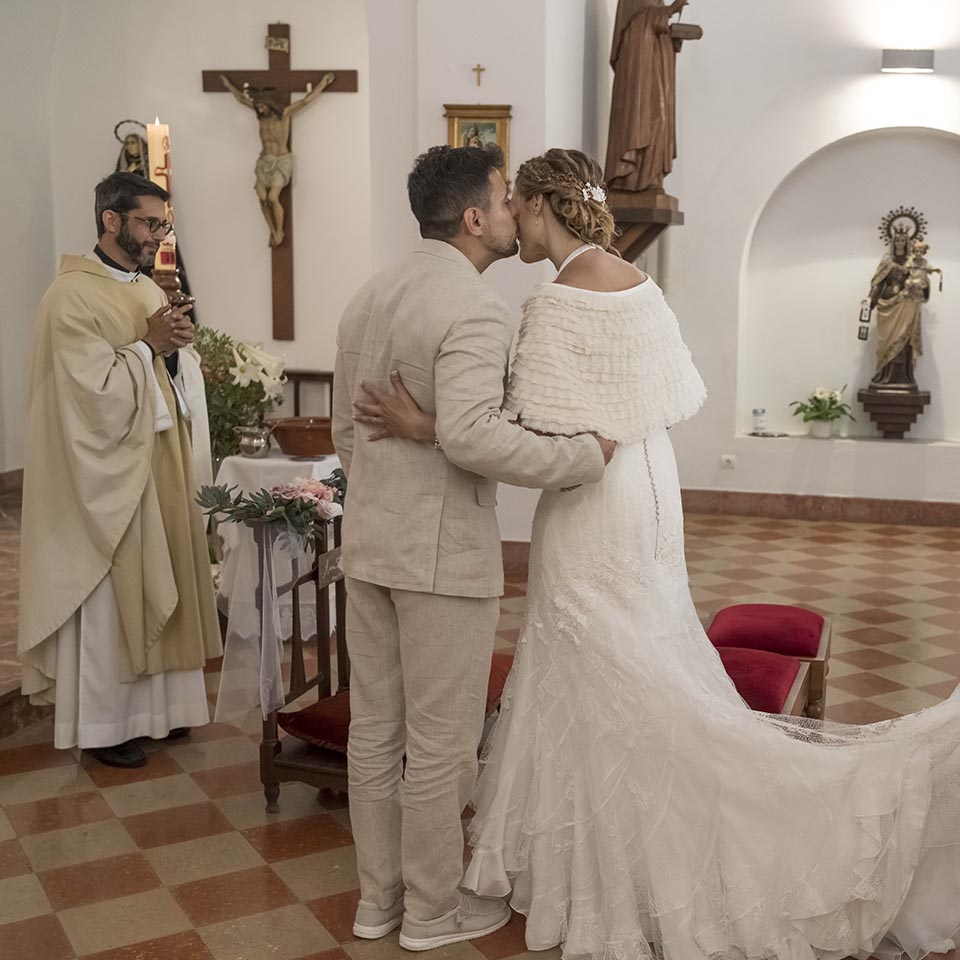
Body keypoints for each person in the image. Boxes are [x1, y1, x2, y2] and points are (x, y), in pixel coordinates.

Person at [353, 148, 960, 960]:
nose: (512, 222)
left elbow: (516, 427)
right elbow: (668, 400)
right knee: (645, 664)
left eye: (517, 205)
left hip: (587, 502)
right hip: (648, 496)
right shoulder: (640, 287)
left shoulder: (550, 303)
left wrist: (433, 427)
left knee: (600, 677)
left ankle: (592, 867)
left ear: (540, 207)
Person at [331, 144, 616, 952]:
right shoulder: (475, 307)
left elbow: (348, 436)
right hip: (441, 557)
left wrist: (394, 482)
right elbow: (475, 436)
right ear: (473, 216)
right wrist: (582, 457)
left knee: (375, 732)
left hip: (371, 546)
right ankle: (430, 912)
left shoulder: (370, 294)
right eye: (503, 195)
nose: (513, 208)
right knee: (442, 744)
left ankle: (376, 902)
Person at [18, 172, 222, 768]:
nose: (159, 236)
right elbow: (87, 394)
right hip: (106, 474)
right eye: (148, 223)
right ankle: (106, 726)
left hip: (156, 462)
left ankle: (165, 713)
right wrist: (148, 348)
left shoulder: (145, 289)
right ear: (110, 219)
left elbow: (163, 372)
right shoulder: (69, 296)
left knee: (168, 581)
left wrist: (178, 351)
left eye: (164, 225)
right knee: (114, 593)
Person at [220, 73, 336, 246]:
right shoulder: (261, 117)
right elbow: (242, 99)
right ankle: (272, 231)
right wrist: (229, 85)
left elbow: (305, 101)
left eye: (262, 106)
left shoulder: (284, 114)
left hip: (281, 160)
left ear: (269, 104)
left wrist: (322, 84)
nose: (259, 109)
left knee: (273, 198)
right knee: (262, 197)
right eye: (257, 106)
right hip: (264, 161)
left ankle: (279, 231)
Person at [604, 0, 689, 193]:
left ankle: (651, 177)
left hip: (657, 65)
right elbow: (634, 30)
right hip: (640, 73)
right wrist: (668, 10)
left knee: (661, 118)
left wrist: (672, 35)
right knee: (648, 116)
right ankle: (631, 177)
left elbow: (655, 25)